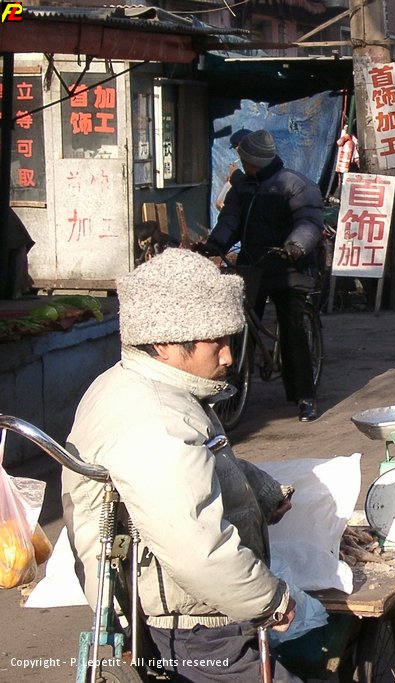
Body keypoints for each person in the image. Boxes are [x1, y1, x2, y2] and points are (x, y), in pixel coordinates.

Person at [63, 248, 300, 682]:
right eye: (216, 343)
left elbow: (203, 461)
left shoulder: (148, 386)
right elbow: (195, 548)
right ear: (164, 343)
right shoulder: (155, 419)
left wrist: (261, 491)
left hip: (183, 613)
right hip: (190, 628)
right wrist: (270, 601)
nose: (228, 357)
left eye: (230, 340)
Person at [201, 129, 324, 422]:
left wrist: (295, 246)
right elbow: (230, 220)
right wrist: (215, 244)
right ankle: (232, 392)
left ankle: (305, 397)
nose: (241, 162)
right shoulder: (241, 187)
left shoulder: (294, 185)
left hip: (288, 266)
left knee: (292, 330)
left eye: (244, 158)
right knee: (237, 325)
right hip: (251, 266)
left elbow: (309, 222)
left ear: (253, 160)